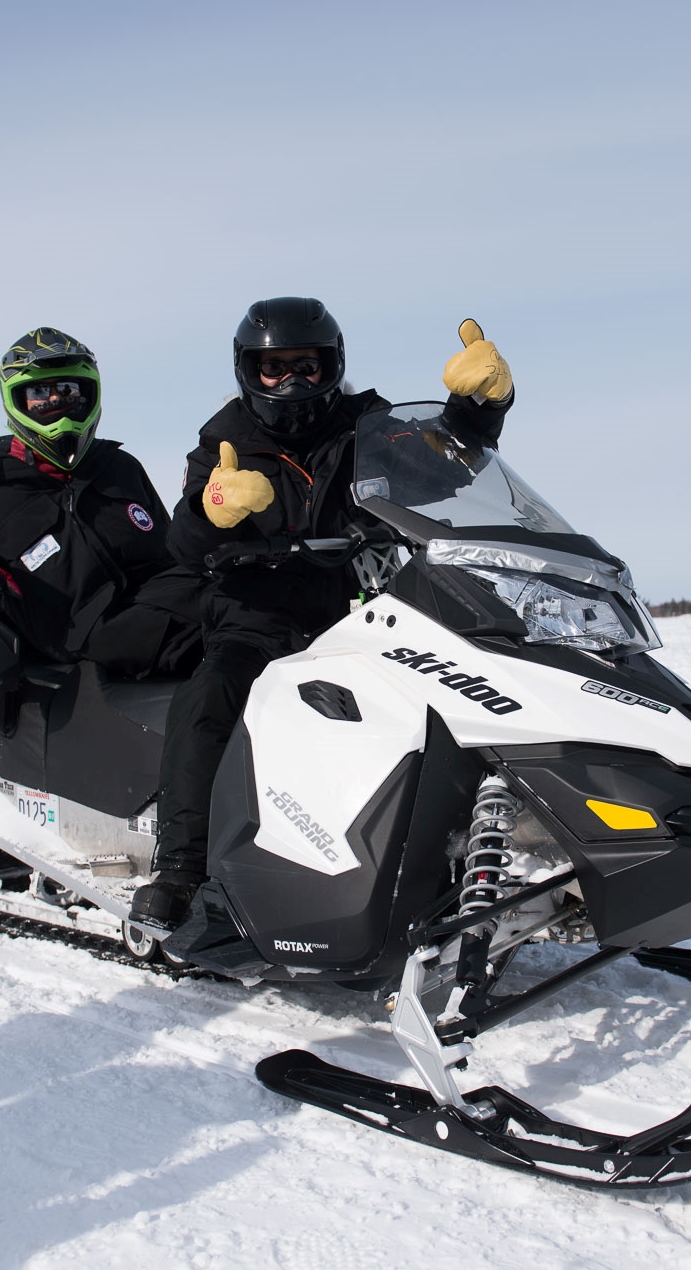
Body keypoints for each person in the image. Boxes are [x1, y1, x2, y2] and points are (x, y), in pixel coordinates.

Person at [130, 297, 515, 929]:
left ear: (331, 366)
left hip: (365, 609)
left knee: (461, 690)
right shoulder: (224, 438)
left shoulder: (370, 423)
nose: (291, 383)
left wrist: (476, 411)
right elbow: (184, 543)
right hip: (259, 614)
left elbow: (441, 470)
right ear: (248, 371)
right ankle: (179, 872)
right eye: (273, 368)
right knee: (211, 698)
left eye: (305, 367)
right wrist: (213, 509)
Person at [0, 327, 200, 679]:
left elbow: (171, 555)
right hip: (79, 650)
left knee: (253, 611)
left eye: (67, 390)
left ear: (88, 393)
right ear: (17, 401)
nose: (56, 403)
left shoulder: (120, 468)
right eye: (38, 393)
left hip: (163, 614)